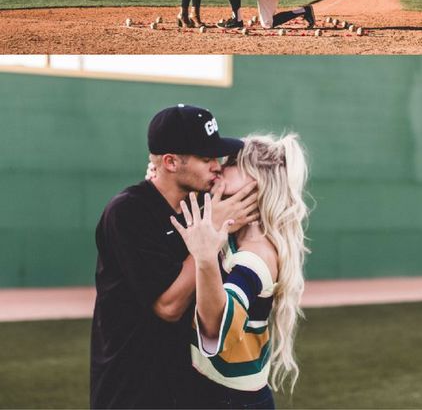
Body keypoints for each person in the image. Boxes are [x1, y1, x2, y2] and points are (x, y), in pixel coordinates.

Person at [90, 104, 259, 409]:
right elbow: (168, 306)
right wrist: (209, 235)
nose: (217, 166)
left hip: (185, 387)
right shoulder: (128, 212)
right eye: (206, 158)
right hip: (131, 390)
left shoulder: (200, 204)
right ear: (170, 162)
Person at [171, 132, 309, 410]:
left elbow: (216, 331)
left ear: (256, 180)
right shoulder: (231, 226)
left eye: (234, 161)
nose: (221, 165)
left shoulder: (256, 254)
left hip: (232, 400)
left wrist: (205, 257)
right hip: (207, 389)